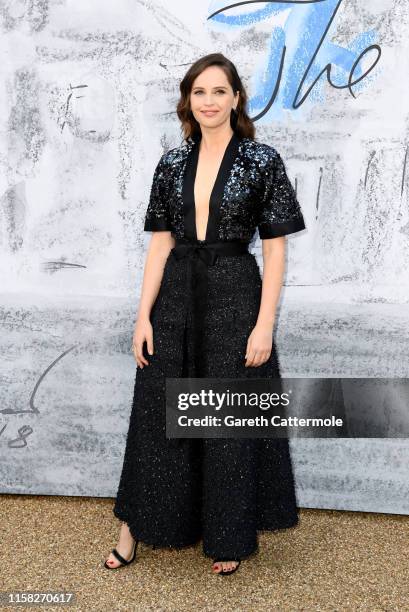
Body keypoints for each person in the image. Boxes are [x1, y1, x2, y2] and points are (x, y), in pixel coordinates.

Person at [104, 52, 306, 576]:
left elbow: (276, 251)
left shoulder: (263, 161)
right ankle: (133, 529)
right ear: (187, 102)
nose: (210, 101)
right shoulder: (171, 164)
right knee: (156, 415)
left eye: (220, 91)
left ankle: (227, 534)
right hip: (174, 301)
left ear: (236, 98)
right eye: (200, 92)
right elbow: (159, 245)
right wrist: (142, 315)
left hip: (237, 298)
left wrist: (264, 324)